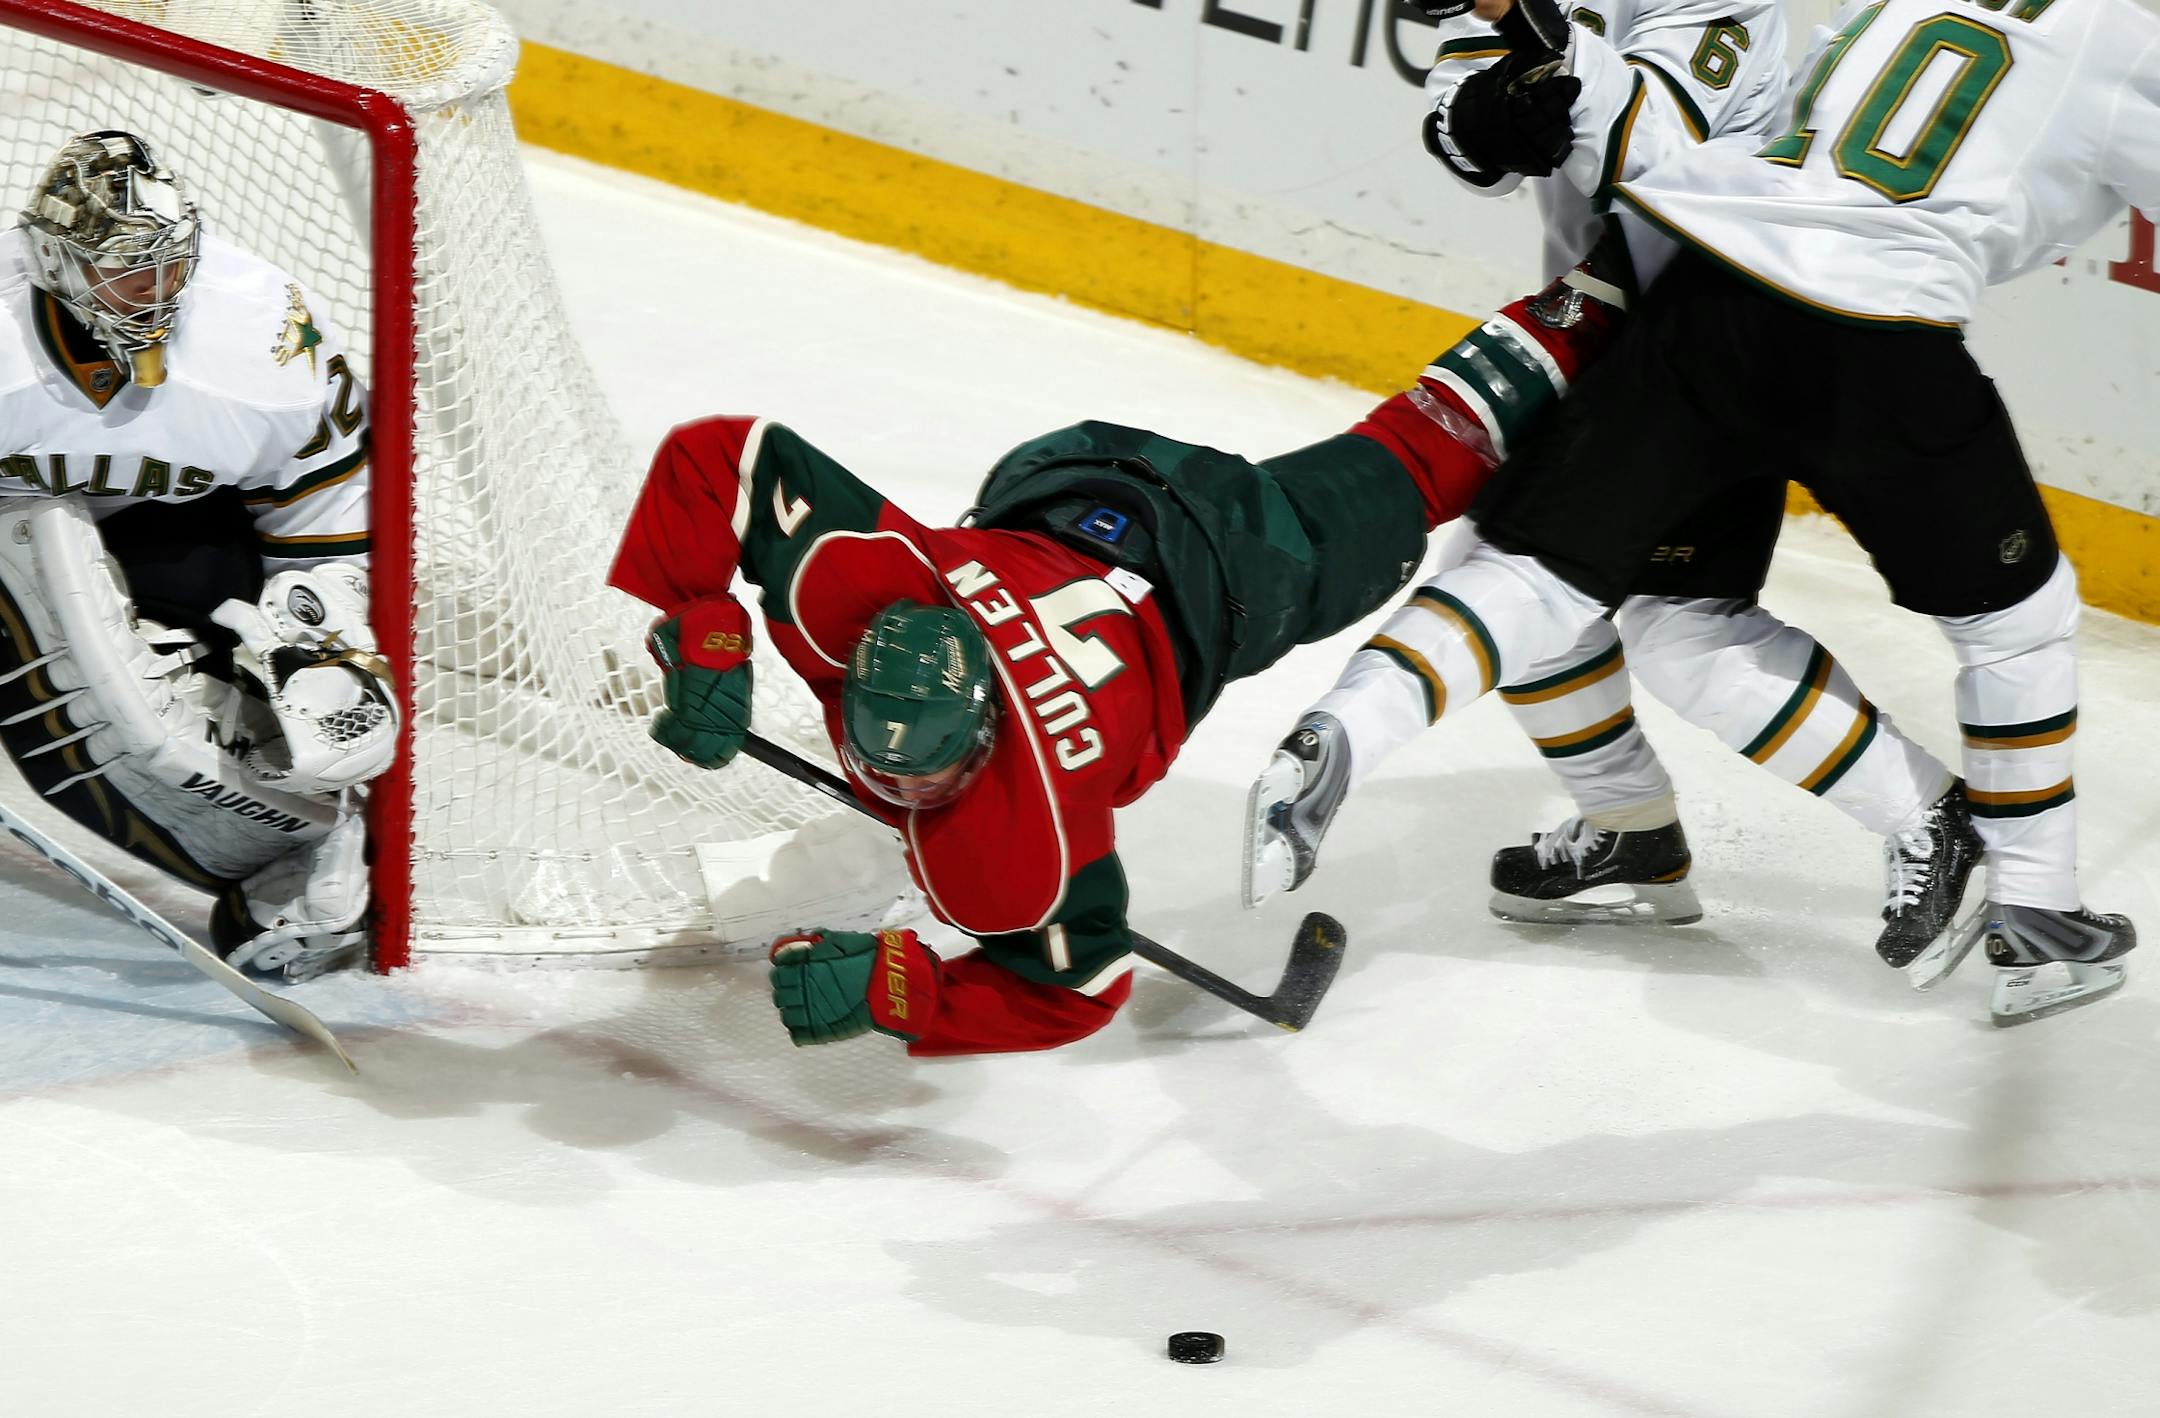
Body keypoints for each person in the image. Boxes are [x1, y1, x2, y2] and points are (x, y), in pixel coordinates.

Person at [1253, 0, 2156, 1023]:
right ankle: (2026, 902)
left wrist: (1558, 69)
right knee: (2001, 621)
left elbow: (1648, 144)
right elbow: (1473, 139)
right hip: (1844, 314)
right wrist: (1517, 88)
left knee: (1550, 574)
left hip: (1703, 294)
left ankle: (1355, 728)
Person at [607, 235, 1668, 1054]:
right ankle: (1585, 304)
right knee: (1409, 444)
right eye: (887, 761)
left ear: (982, 738)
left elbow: (1075, 986)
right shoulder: (868, 582)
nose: (907, 787)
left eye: (929, 769)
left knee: (1417, 463)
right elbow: (724, 458)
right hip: (1076, 474)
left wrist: (910, 992)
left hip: (1237, 562)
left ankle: (1625, 327)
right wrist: (701, 626)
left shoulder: (1024, 840)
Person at [0, 130, 398, 980]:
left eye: (169, 265)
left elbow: (328, 511)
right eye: (123, 270)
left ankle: (300, 850)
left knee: (170, 719)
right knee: (49, 594)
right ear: (54, 262)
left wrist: (322, 637)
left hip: (169, 532)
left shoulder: (257, 336)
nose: (153, 293)